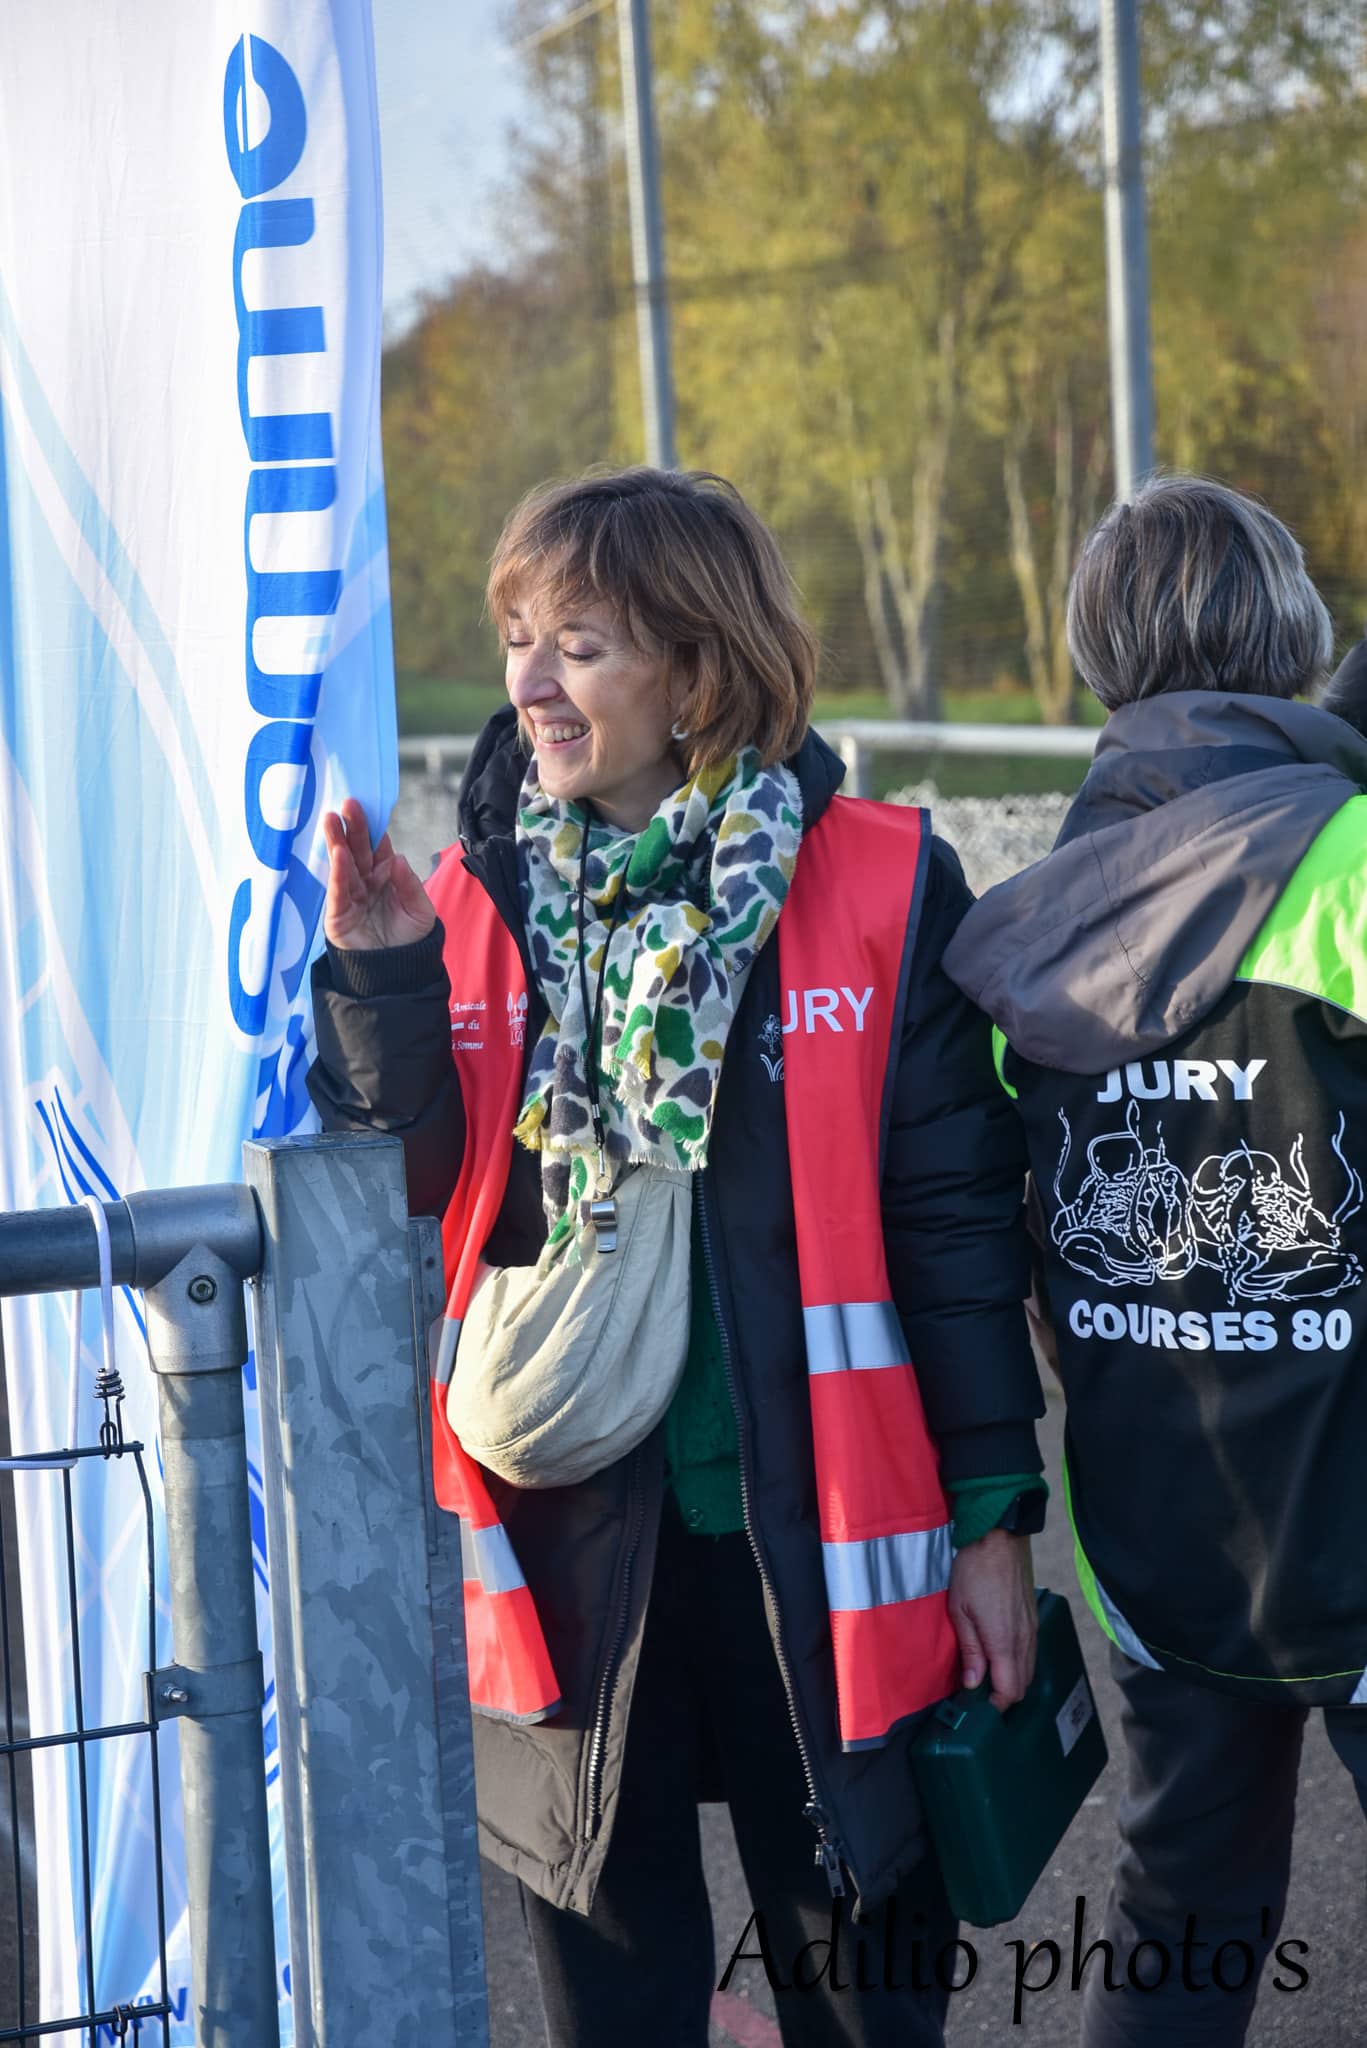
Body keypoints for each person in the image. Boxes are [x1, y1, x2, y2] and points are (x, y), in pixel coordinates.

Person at [308, 466, 1046, 2048]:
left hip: (824, 1555)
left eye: (577, 640)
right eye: (517, 635)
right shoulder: (473, 896)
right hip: (578, 1555)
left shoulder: (885, 882)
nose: (526, 680)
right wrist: (379, 982)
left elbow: (956, 1224)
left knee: (861, 2003)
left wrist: (998, 1521)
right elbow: (404, 1194)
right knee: (620, 2011)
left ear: (697, 666)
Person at [943, 473, 1367, 2048]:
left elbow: (1006, 1240)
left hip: (1151, 1530)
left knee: (1183, 1910)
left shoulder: (1023, 926)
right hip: (1351, 1512)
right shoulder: (1355, 867)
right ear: (1290, 632)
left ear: (1094, 656)